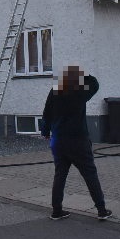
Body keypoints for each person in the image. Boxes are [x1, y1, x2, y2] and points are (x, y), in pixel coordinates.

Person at [41, 65, 112, 221]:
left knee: (60, 175)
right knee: (90, 174)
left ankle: (56, 210)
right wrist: (85, 75)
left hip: (58, 141)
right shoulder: (80, 92)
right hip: (78, 140)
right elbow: (95, 83)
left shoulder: (55, 91)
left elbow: (46, 113)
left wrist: (45, 132)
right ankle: (101, 210)